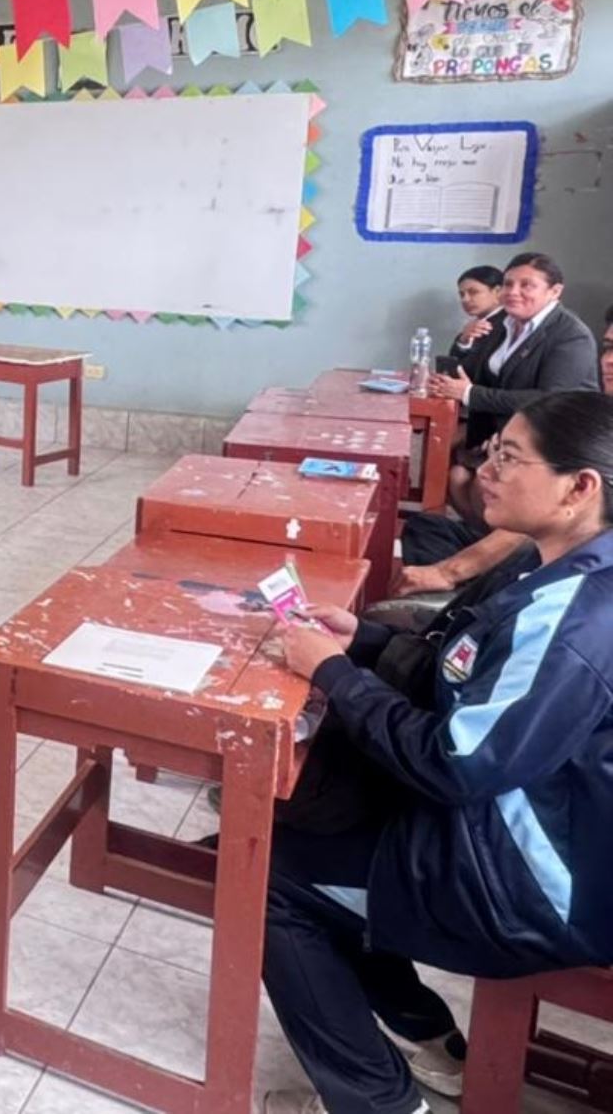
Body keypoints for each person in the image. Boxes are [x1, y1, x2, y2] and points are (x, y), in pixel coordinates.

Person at [264, 392, 613, 1114]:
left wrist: (333, 674)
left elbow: (457, 762)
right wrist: (361, 641)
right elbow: (466, 665)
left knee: (271, 878)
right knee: (314, 828)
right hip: (523, 822)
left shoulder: (580, 619)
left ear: (580, 487)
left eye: (509, 457)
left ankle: (379, 1104)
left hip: (538, 885)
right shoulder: (557, 565)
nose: (484, 469)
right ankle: (432, 1039)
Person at [406, 253, 599, 566]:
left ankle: (503, 555)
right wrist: (463, 351)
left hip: (554, 443)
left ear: (554, 291)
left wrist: (470, 393)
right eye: (508, 284)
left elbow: (551, 399)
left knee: (474, 480)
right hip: (503, 431)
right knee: (455, 476)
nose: (513, 292)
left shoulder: (570, 335)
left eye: (527, 285)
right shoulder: (503, 325)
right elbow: (474, 371)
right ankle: (488, 549)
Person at [445, 264, 504, 361]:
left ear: (497, 292)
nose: (465, 299)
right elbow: (452, 363)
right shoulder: (472, 327)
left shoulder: (509, 325)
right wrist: (463, 341)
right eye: (462, 294)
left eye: (473, 292)